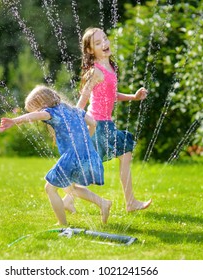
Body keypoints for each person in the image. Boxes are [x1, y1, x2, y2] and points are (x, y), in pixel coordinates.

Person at [63, 27, 152, 213]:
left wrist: (133, 97)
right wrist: (76, 118)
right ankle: (130, 202)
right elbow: (85, 96)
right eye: (98, 43)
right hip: (97, 124)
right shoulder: (96, 71)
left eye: (105, 39)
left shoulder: (110, 67)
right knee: (120, 156)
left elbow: (111, 95)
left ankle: (68, 198)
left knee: (90, 164)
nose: (104, 43)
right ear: (89, 50)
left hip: (105, 124)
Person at [0, 85, 112, 225]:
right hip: (88, 155)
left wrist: (15, 121)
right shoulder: (74, 110)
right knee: (69, 187)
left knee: (50, 188)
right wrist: (84, 141)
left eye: (36, 108)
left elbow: (35, 116)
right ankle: (102, 203)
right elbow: (93, 123)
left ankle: (62, 224)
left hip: (73, 157)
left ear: (43, 104)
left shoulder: (51, 112)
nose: (38, 112)